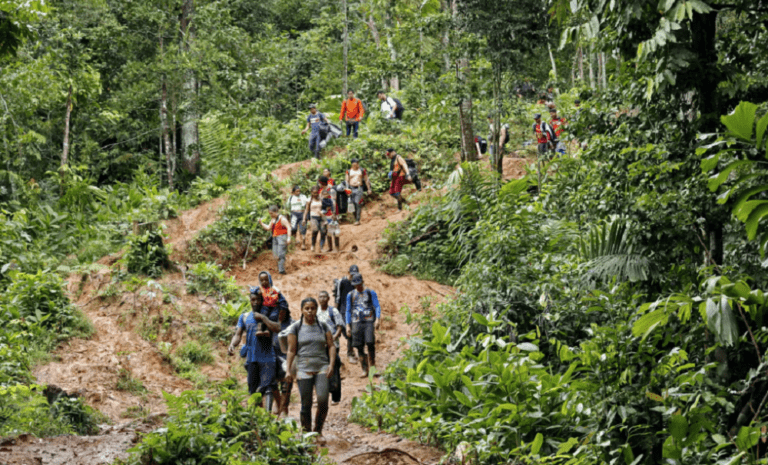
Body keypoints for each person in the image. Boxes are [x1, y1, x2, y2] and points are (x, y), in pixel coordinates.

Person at [285, 297, 337, 436]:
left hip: (322, 367)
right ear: (302, 310)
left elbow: (331, 346)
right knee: (306, 404)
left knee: (323, 401)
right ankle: (307, 434)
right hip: (303, 368)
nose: (310, 311)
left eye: (313, 308)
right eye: (306, 308)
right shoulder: (295, 328)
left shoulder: (323, 326)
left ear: (316, 309)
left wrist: (331, 365)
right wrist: (288, 370)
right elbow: (291, 350)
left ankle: (318, 431)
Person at [227, 288, 281, 412]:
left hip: (268, 357)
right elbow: (238, 334)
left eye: (258, 299)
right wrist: (232, 345)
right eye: (253, 300)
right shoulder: (244, 317)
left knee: (268, 388)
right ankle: (259, 416)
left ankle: (268, 415)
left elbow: (278, 328)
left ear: (262, 300)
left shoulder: (270, 314)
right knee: (253, 390)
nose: (255, 302)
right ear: (250, 301)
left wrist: (263, 318)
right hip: (252, 358)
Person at [345, 273, 381, 377]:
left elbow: (377, 306)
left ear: (363, 282)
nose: (358, 286)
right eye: (356, 285)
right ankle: (364, 369)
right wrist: (348, 325)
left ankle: (373, 368)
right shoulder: (350, 295)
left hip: (368, 321)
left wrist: (377, 319)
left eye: (359, 284)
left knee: (370, 343)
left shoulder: (370, 292)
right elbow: (348, 310)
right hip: (356, 322)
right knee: (359, 346)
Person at [317, 290, 344, 405]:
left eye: (324, 297)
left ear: (328, 299)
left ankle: (335, 397)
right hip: (319, 346)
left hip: (333, 345)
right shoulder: (315, 312)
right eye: (320, 297)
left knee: (333, 369)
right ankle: (321, 396)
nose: (322, 299)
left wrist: (333, 338)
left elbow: (339, 327)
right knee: (320, 371)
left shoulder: (333, 311)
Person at [273, 304, 294, 417]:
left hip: (287, 358)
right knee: (273, 383)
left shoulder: (292, 324)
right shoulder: (272, 322)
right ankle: (278, 402)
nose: (280, 314)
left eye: (283, 311)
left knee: (286, 385)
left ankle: (284, 407)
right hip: (273, 357)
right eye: (278, 311)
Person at [335, 265, 359, 364]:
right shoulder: (342, 282)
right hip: (344, 310)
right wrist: (335, 312)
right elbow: (338, 297)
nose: (353, 276)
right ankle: (349, 354)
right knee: (347, 333)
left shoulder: (357, 282)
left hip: (353, 310)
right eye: (352, 274)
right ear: (348, 273)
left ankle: (351, 352)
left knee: (353, 333)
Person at [258, 205, 291, 275]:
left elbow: (288, 227)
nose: (271, 215)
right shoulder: (273, 220)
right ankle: (281, 266)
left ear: (276, 212)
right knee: (275, 255)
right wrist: (261, 223)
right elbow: (268, 228)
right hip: (275, 238)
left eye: (272, 213)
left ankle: (281, 270)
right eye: (270, 214)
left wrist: (289, 238)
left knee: (280, 254)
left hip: (282, 237)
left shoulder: (282, 219)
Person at [345, 158, 371, 225]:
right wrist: (347, 189)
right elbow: (346, 181)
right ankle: (355, 218)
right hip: (351, 188)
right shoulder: (348, 171)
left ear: (358, 164)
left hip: (359, 188)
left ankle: (358, 220)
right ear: (352, 164)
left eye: (356, 164)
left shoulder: (362, 170)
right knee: (352, 204)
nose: (355, 166)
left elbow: (366, 179)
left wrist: (369, 189)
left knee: (358, 203)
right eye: (354, 165)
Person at [303, 186, 326, 253]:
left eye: (316, 193)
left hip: (322, 217)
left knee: (323, 232)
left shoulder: (321, 199)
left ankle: (321, 246)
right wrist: (304, 219)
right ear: (311, 193)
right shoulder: (309, 200)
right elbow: (306, 210)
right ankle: (313, 245)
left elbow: (326, 207)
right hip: (313, 217)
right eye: (314, 193)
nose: (315, 194)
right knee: (315, 231)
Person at [287, 186, 309, 250]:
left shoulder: (303, 197)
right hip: (293, 214)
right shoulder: (290, 198)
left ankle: (303, 244)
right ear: (293, 192)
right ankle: (293, 243)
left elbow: (306, 207)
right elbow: (287, 208)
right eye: (297, 191)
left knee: (303, 229)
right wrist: (288, 219)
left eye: (299, 191)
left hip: (302, 214)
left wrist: (305, 217)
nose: (298, 192)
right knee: (293, 229)